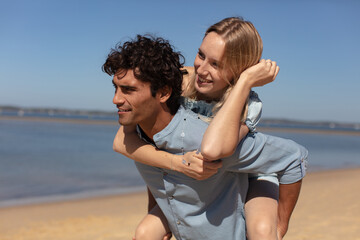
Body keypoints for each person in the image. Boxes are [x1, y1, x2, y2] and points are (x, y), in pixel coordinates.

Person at [103, 32, 307, 240]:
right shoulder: (153, 115)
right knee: (145, 233)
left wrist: (280, 225)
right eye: (201, 55)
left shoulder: (221, 131)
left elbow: (294, 157)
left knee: (263, 233)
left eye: (216, 64)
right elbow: (139, 157)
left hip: (251, 167)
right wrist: (175, 168)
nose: (115, 99)